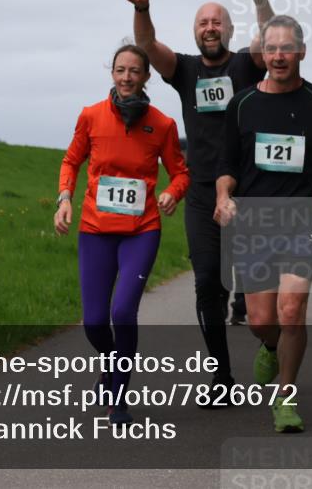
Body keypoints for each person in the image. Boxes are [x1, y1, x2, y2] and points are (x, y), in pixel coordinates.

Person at [124, 0, 273, 400]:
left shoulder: (246, 61)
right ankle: (222, 378)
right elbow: (148, 46)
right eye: (203, 23)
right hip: (204, 195)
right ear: (195, 32)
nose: (210, 28)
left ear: (229, 29)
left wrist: (261, 2)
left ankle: (271, 347)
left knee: (260, 289)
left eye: (217, 22)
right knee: (208, 283)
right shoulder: (185, 71)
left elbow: (271, 42)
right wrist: (142, 8)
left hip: (250, 192)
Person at [215, 15, 312, 433]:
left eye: (286, 48)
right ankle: (270, 346)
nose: (278, 56)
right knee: (261, 320)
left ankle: (286, 399)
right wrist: (222, 196)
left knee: (291, 310)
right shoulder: (241, 104)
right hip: (255, 223)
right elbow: (227, 166)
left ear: (301, 52)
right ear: (263, 54)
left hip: (302, 219)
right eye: (271, 48)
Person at [54, 42, 190, 426]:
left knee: (122, 312)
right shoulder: (91, 116)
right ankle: (111, 366)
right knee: (95, 321)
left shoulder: (162, 124)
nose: (127, 77)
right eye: (120, 70)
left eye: (134, 71)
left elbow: (181, 172)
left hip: (141, 231)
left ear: (147, 77)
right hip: (95, 230)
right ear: (111, 74)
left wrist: (171, 192)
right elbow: (71, 160)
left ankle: (118, 396)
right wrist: (65, 198)